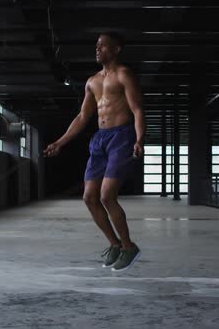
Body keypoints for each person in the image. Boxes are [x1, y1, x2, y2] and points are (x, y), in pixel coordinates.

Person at [44, 32, 146, 271]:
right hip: (99, 139)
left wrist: (140, 138)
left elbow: (138, 109)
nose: (97, 49)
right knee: (89, 197)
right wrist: (60, 142)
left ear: (117, 48)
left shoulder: (124, 75)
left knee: (106, 196)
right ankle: (115, 244)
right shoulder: (92, 81)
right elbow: (82, 116)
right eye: (96, 46)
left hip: (122, 136)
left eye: (103, 45)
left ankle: (129, 247)